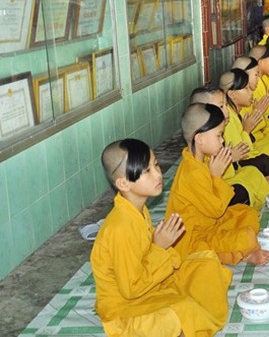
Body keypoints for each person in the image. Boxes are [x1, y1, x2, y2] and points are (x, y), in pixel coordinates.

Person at [91, 139, 231, 336]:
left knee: (206, 263)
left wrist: (161, 249)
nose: (158, 174)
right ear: (123, 183)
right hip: (126, 310)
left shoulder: (138, 211)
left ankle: (194, 319)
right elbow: (131, 289)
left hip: (151, 287)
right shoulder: (120, 227)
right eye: (147, 171)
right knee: (177, 313)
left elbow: (145, 259)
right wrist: (159, 248)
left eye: (155, 165)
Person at [165, 103, 269, 266]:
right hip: (192, 238)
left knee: (247, 213)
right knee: (245, 237)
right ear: (199, 138)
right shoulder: (192, 172)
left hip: (210, 224)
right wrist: (216, 176)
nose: (222, 140)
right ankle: (243, 254)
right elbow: (216, 210)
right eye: (218, 135)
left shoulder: (203, 159)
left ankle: (240, 249)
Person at [189, 85, 269, 210]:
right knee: (241, 191)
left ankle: (255, 189)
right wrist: (222, 166)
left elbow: (235, 161)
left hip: (225, 182)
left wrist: (230, 159)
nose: (226, 111)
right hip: (212, 200)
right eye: (221, 107)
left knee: (252, 172)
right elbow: (205, 195)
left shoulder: (216, 130)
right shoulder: (195, 155)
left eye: (225, 106)